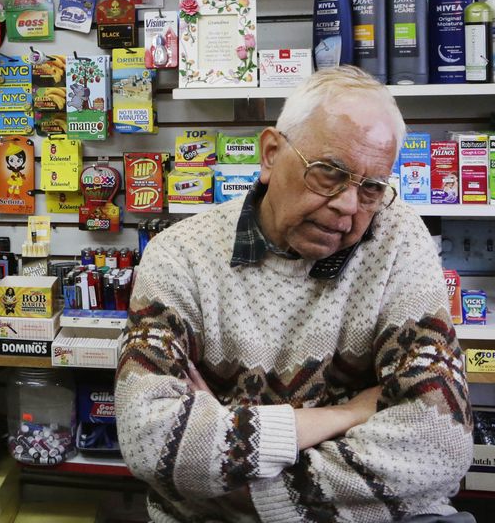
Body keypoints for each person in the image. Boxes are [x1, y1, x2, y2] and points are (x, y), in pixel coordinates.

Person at [115, 66, 474, 523]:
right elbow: (150, 442)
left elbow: (439, 443)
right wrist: (343, 414)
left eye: (371, 188)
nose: (348, 205)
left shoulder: (397, 236)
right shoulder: (180, 254)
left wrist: (242, 490)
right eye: (329, 173)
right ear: (270, 154)